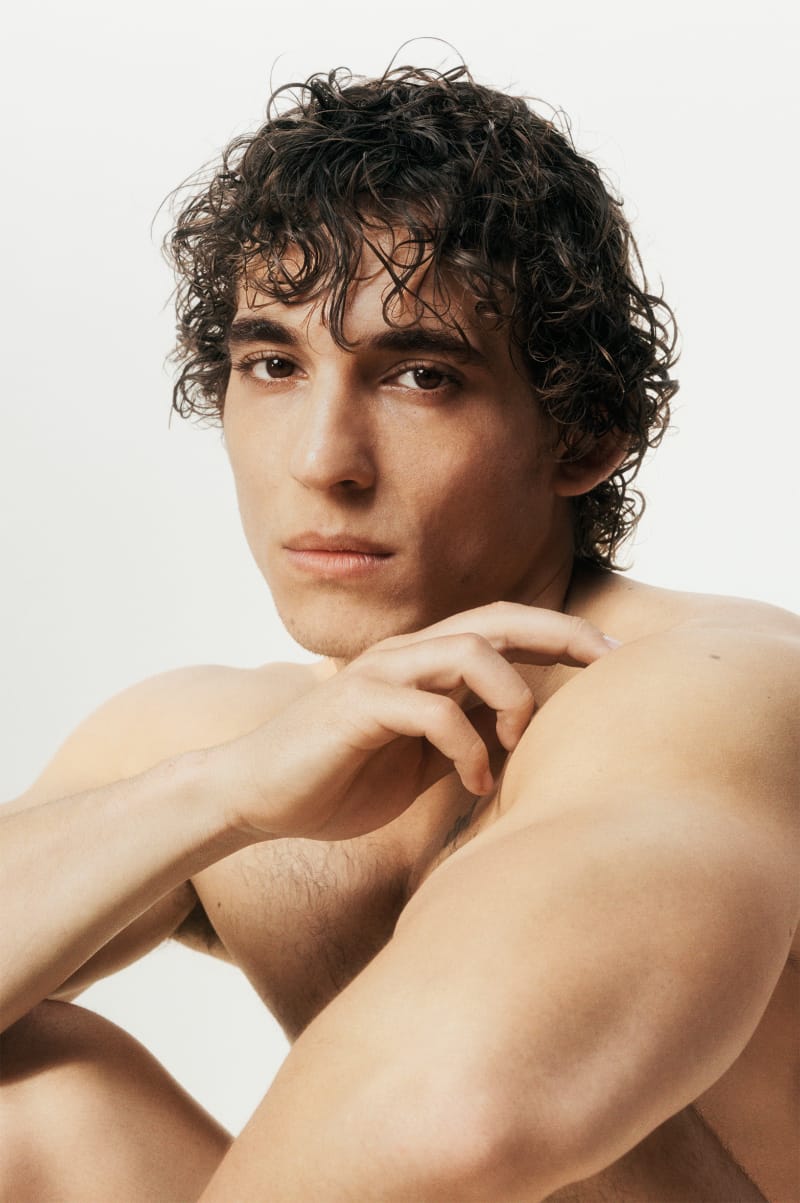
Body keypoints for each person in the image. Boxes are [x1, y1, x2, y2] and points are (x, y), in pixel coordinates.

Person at [1, 62, 797, 1203]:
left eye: (420, 376)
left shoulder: (709, 692)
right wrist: (221, 794)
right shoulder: (235, 738)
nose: (321, 459)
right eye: (272, 365)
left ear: (582, 434)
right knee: (27, 1099)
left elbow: (455, 1114)